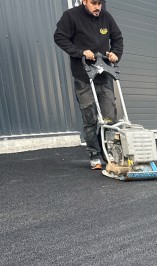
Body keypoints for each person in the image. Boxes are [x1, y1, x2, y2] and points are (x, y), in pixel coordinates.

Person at [54, 0, 123, 169]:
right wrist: (79, 52)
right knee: (90, 117)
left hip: (104, 74)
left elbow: (118, 38)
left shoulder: (106, 17)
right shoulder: (71, 16)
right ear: (84, 1)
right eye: (93, 3)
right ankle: (94, 154)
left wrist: (115, 53)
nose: (97, 7)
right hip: (83, 76)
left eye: (100, 3)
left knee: (110, 118)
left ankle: (111, 153)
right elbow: (59, 37)